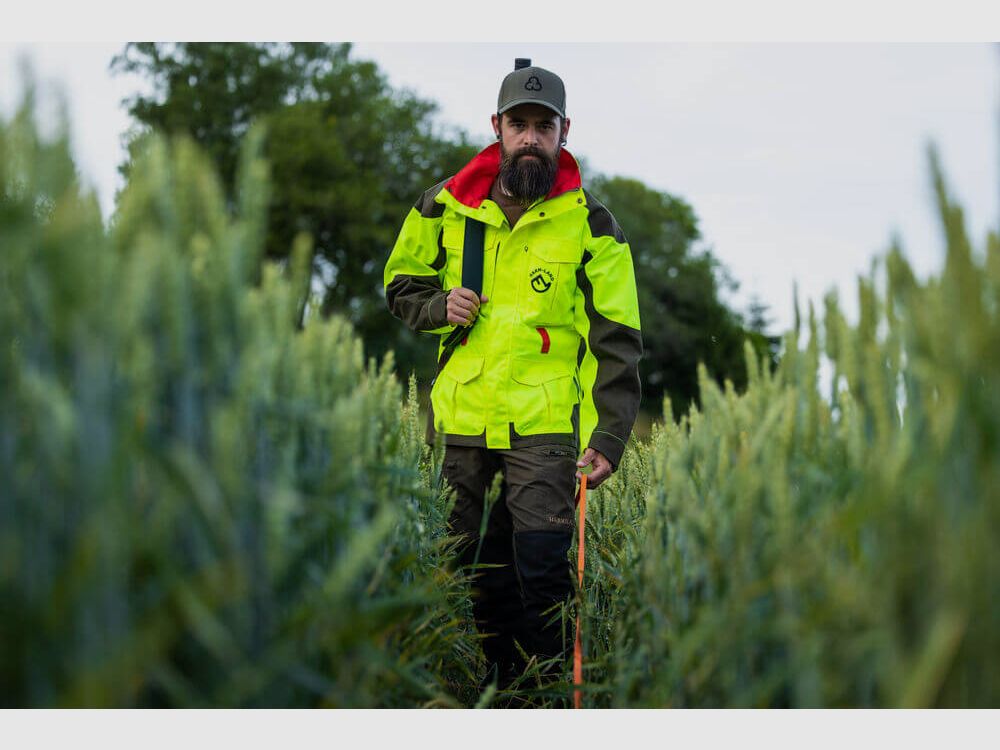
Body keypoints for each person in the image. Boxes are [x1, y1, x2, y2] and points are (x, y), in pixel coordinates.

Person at [383, 58, 642, 693]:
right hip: (463, 420)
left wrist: (609, 436)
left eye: (543, 127)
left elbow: (617, 337)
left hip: (545, 426)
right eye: (519, 124)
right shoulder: (442, 205)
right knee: (472, 569)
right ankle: (494, 694)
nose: (530, 138)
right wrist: (438, 307)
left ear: (564, 132)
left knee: (544, 574)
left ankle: (546, 694)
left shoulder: (594, 224)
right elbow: (400, 283)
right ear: (496, 126)